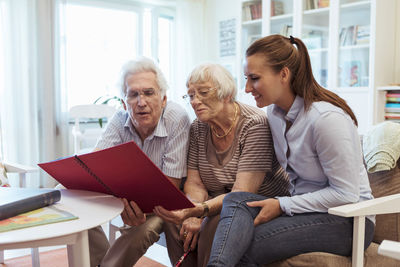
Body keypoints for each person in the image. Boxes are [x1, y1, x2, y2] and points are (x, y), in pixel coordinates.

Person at [207, 34, 375, 266]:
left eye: (254, 78)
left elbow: (345, 194)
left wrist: (282, 204)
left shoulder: (326, 119)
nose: (246, 88)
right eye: (246, 78)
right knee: (236, 201)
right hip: (305, 210)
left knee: (243, 246)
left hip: (348, 220)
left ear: (283, 74)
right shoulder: (274, 115)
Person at [153, 63, 289, 267]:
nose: (195, 101)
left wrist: (200, 212)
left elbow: (241, 193)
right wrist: (193, 211)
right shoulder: (198, 127)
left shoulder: (254, 124)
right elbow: (195, 183)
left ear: (226, 94)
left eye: (203, 93)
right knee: (175, 222)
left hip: (253, 203)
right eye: (190, 95)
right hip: (217, 201)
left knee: (214, 222)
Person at [88, 57, 191, 267]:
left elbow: (169, 187)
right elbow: (93, 168)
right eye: (133, 94)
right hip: (130, 200)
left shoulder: (176, 118)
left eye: (148, 93)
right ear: (125, 102)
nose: (141, 102)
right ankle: (100, 262)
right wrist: (124, 203)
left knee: (146, 227)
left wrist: (126, 202)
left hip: (167, 205)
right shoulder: (120, 119)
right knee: (73, 194)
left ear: (163, 99)